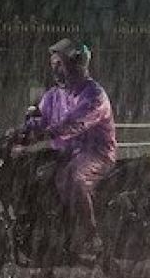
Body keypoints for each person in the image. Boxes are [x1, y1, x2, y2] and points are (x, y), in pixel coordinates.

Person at [13, 38, 116, 257]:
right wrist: (18, 134)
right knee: (35, 177)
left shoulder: (94, 95)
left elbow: (75, 123)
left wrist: (47, 133)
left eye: (60, 64)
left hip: (96, 154)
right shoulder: (53, 95)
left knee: (71, 177)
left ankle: (90, 237)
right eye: (53, 65)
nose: (56, 69)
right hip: (65, 153)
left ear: (76, 64)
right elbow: (39, 121)